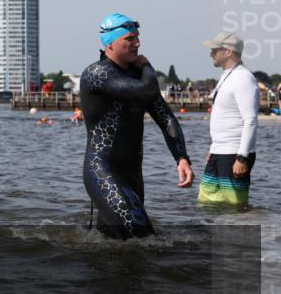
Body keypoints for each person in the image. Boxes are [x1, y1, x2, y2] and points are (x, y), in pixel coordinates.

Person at [80, 13, 193, 240]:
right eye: (129, 38)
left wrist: (181, 157)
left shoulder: (138, 77)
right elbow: (147, 91)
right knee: (141, 237)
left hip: (133, 173)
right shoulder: (97, 74)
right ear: (109, 42)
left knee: (116, 243)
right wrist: (148, 66)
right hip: (103, 169)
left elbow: (166, 118)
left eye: (137, 37)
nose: (137, 44)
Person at [198, 32, 259, 206]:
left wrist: (242, 157)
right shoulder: (227, 76)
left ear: (228, 52)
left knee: (234, 206)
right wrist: (214, 147)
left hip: (234, 153)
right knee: (207, 201)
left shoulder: (244, 78)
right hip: (219, 151)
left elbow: (251, 121)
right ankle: (210, 233)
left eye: (215, 50)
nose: (211, 54)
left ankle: (239, 233)